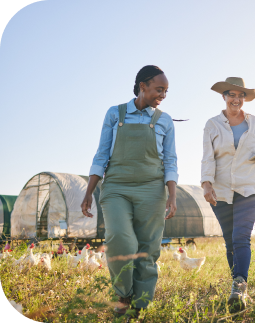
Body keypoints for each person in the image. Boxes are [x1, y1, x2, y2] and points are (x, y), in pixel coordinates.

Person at [80, 65, 178, 318]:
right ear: (142, 86)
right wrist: (89, 191)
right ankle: (123, 294)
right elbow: (102, 154)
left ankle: (140, 304)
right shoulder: (115, 114)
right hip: (116, 187)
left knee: (147, 248)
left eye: (166, 91)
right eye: (159, 89)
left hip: (152, 189)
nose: (163, 95)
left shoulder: (164, 120)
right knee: (121, 240)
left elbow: (170, 161)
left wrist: (173, 195)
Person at [201, 77, 255, 312]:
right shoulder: (213, 124)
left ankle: (240, 284)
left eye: (240, 95)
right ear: (224, 97)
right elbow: (207, 157)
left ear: (244, 98)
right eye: (231, 94)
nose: (236, 99)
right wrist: (206, 184)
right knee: (230, 239)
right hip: (220, 188)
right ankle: (236, 286)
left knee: (241, 236)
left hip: (250, 186)